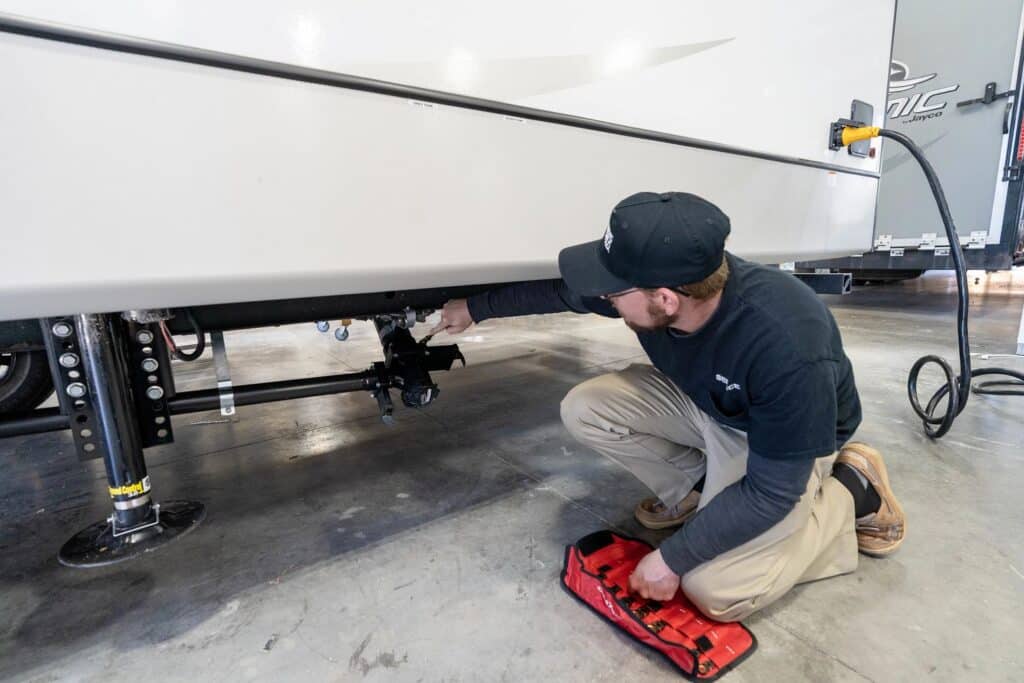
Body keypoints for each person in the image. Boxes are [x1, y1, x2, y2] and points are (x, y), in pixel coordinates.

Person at [431, 191, 906, 621]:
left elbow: (771, 492)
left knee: (716, 590)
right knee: (587, 408)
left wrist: (673, 558)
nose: (603, 297)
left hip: (778, 445)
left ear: (665, 299)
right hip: (712, 403)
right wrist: (475, 308)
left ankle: (851, 489)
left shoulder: (787, 345)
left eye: (613, 292)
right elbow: (561, 292)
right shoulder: (670, 282)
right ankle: (698, 489)